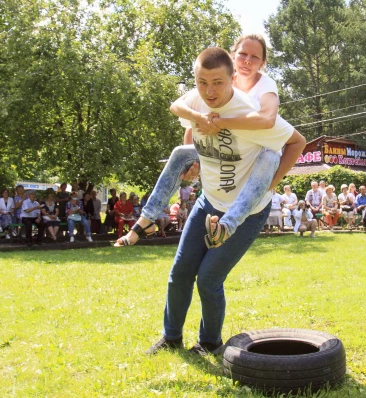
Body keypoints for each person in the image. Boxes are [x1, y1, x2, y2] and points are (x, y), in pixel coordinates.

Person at [143, 46, 304, 356]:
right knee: (180, 273)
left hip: (244, 213)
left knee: (208, 278)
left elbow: (296, 141)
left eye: (217, 82)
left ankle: (209, 343)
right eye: (203, 83)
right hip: (209, 201)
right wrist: (192, 157)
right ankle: (171, 337)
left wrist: (270, 184)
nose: (209, 90)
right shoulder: (200, 98)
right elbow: (186, 121)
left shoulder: (255, 114)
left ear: (232, 77)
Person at [117, 34, 300, 249]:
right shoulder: (215, 82)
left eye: (255, 57)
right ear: (232, 57)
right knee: (179, 153)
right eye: (242, 54)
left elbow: (269, 120)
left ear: (263, 63)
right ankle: (146, 220)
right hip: (225, 151)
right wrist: (196, 149)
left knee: (269, 157)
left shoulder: (264, 87)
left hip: (256, 156)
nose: (247, 61)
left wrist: (221, 123)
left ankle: (227, 226)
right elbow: (182, 113)